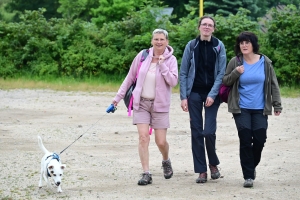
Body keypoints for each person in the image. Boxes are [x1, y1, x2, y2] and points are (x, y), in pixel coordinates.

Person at [112, 29, 178, 186]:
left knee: (161, 142)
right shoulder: (142, 56)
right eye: (156, 39)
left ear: (167, 42)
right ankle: (146, 173)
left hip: (160, 105)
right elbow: (129, 78)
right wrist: (116, 99)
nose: (159, 42)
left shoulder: (171, 60)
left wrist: (162, 66)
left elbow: (173, 82)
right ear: (152, 41)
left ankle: (165, 160)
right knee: (143, 137)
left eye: (162, 39)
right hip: (141, 103)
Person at [222, 31, 283, 188]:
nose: (244, 45)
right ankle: (248, 175)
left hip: (260, 108)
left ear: (253, 44)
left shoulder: (265, 62)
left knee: (260, 139)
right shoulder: (235, 62)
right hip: (241, 107)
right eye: (241, 43)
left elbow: (273, 85)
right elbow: (226, 80)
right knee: (245, 139)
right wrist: (237, 72)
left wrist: (277, 104)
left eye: (247, 42)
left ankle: (251, 165)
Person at [179, 16, 227, 183]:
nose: (207, 27)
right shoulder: (191, 46)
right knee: (197, 132)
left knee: (209, 131)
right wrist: (184, 96)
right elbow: (184, 72)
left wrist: (213, 95)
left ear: (214, 29)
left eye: (210, 25)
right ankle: (201, 171)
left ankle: (213, 163)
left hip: (212, 95)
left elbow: (222, 73)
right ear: (199, 27)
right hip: (194, 94)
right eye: (204, 24)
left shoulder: (219, 46)